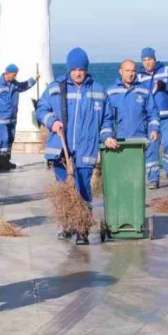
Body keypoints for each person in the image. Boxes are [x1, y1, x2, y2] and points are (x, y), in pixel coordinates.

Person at [35, 47, 114, 245]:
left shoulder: (98, 91)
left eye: (82, 69)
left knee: (83, 189)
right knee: (65, 189)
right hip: (61, 151)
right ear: (69, 69)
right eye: (74, 69)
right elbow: (41, 109)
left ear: (86, 69)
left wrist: (107, 137)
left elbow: (107, 119)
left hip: (86, 150)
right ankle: (68, 225)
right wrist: (52, 121)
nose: (78, 73)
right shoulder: (55, 88)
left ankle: (83, 229)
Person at [137, 47, 168, 188]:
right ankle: (153, 178)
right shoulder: (139, 76)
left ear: (154, 59)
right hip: (150, 119)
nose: (147, 63)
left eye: (149, 59)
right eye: (144, 60)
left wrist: (166, 87)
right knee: (151, 148)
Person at [0, 64, 37, 166]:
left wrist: (33, 80)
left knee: (11, 139)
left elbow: (23, 86)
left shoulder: (14, 84)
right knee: (4, 139)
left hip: (12, 118)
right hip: (1, 118)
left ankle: (7, 160)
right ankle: (2, 162)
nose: (15, 77)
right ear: (8, 73)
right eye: (14, 75)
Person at [105, 59, 159, 147]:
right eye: (127, 71)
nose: (130, 74)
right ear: (120, 71)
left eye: (133, 71)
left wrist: (154, 129)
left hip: (140, 139)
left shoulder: (144, 91)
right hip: (117, 140)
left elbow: (153, 112)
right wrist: (106, 136)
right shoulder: (110, 92)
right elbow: (106, 118)